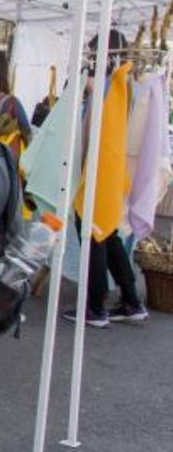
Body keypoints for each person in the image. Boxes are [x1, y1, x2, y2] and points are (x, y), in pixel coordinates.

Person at [62, 30, 147, 327]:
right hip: (110, 173)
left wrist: (85, 84)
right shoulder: (127, 84)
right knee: (107, 235)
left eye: (92, 51)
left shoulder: (112, 86)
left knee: (93, 234)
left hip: (100, 173)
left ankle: (95, 306)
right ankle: (131, 301)